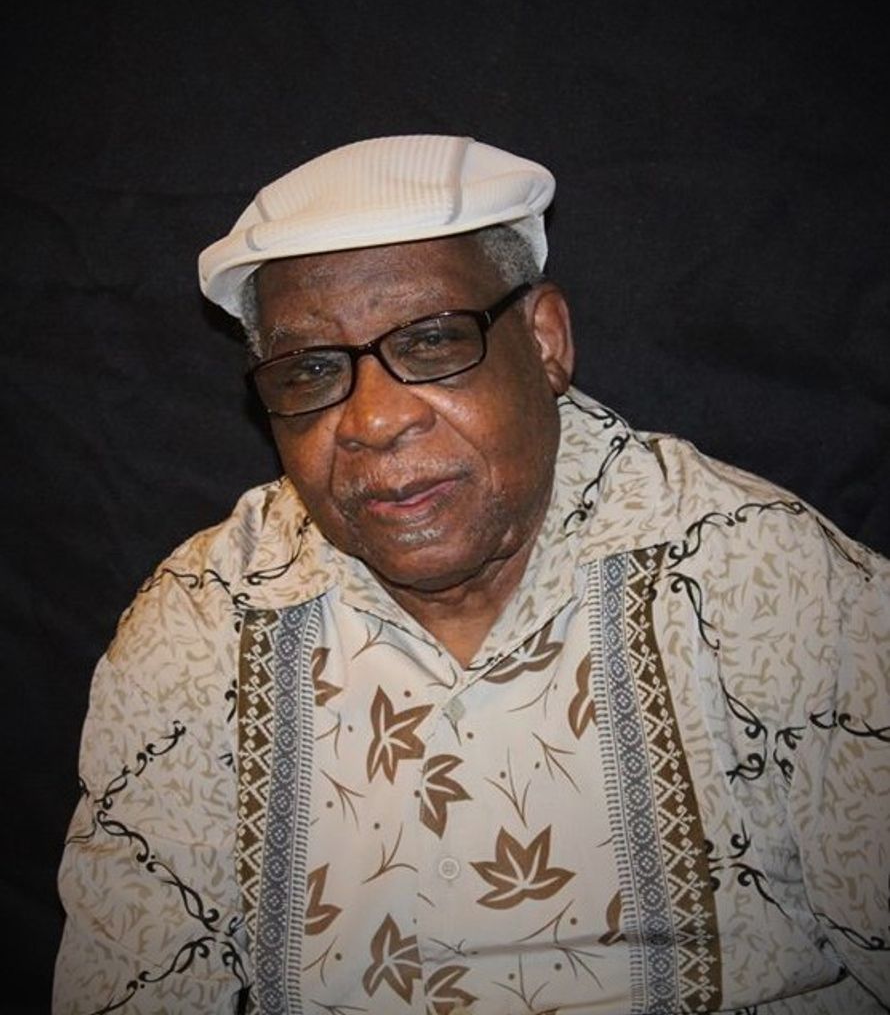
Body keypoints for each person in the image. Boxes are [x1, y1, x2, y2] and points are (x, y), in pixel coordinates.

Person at [53, 134, 889, 1015]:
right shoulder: (203, 619)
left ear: (545, 340)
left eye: (430, 341)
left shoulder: (762, 577)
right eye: (312, 371)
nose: (374, 421)